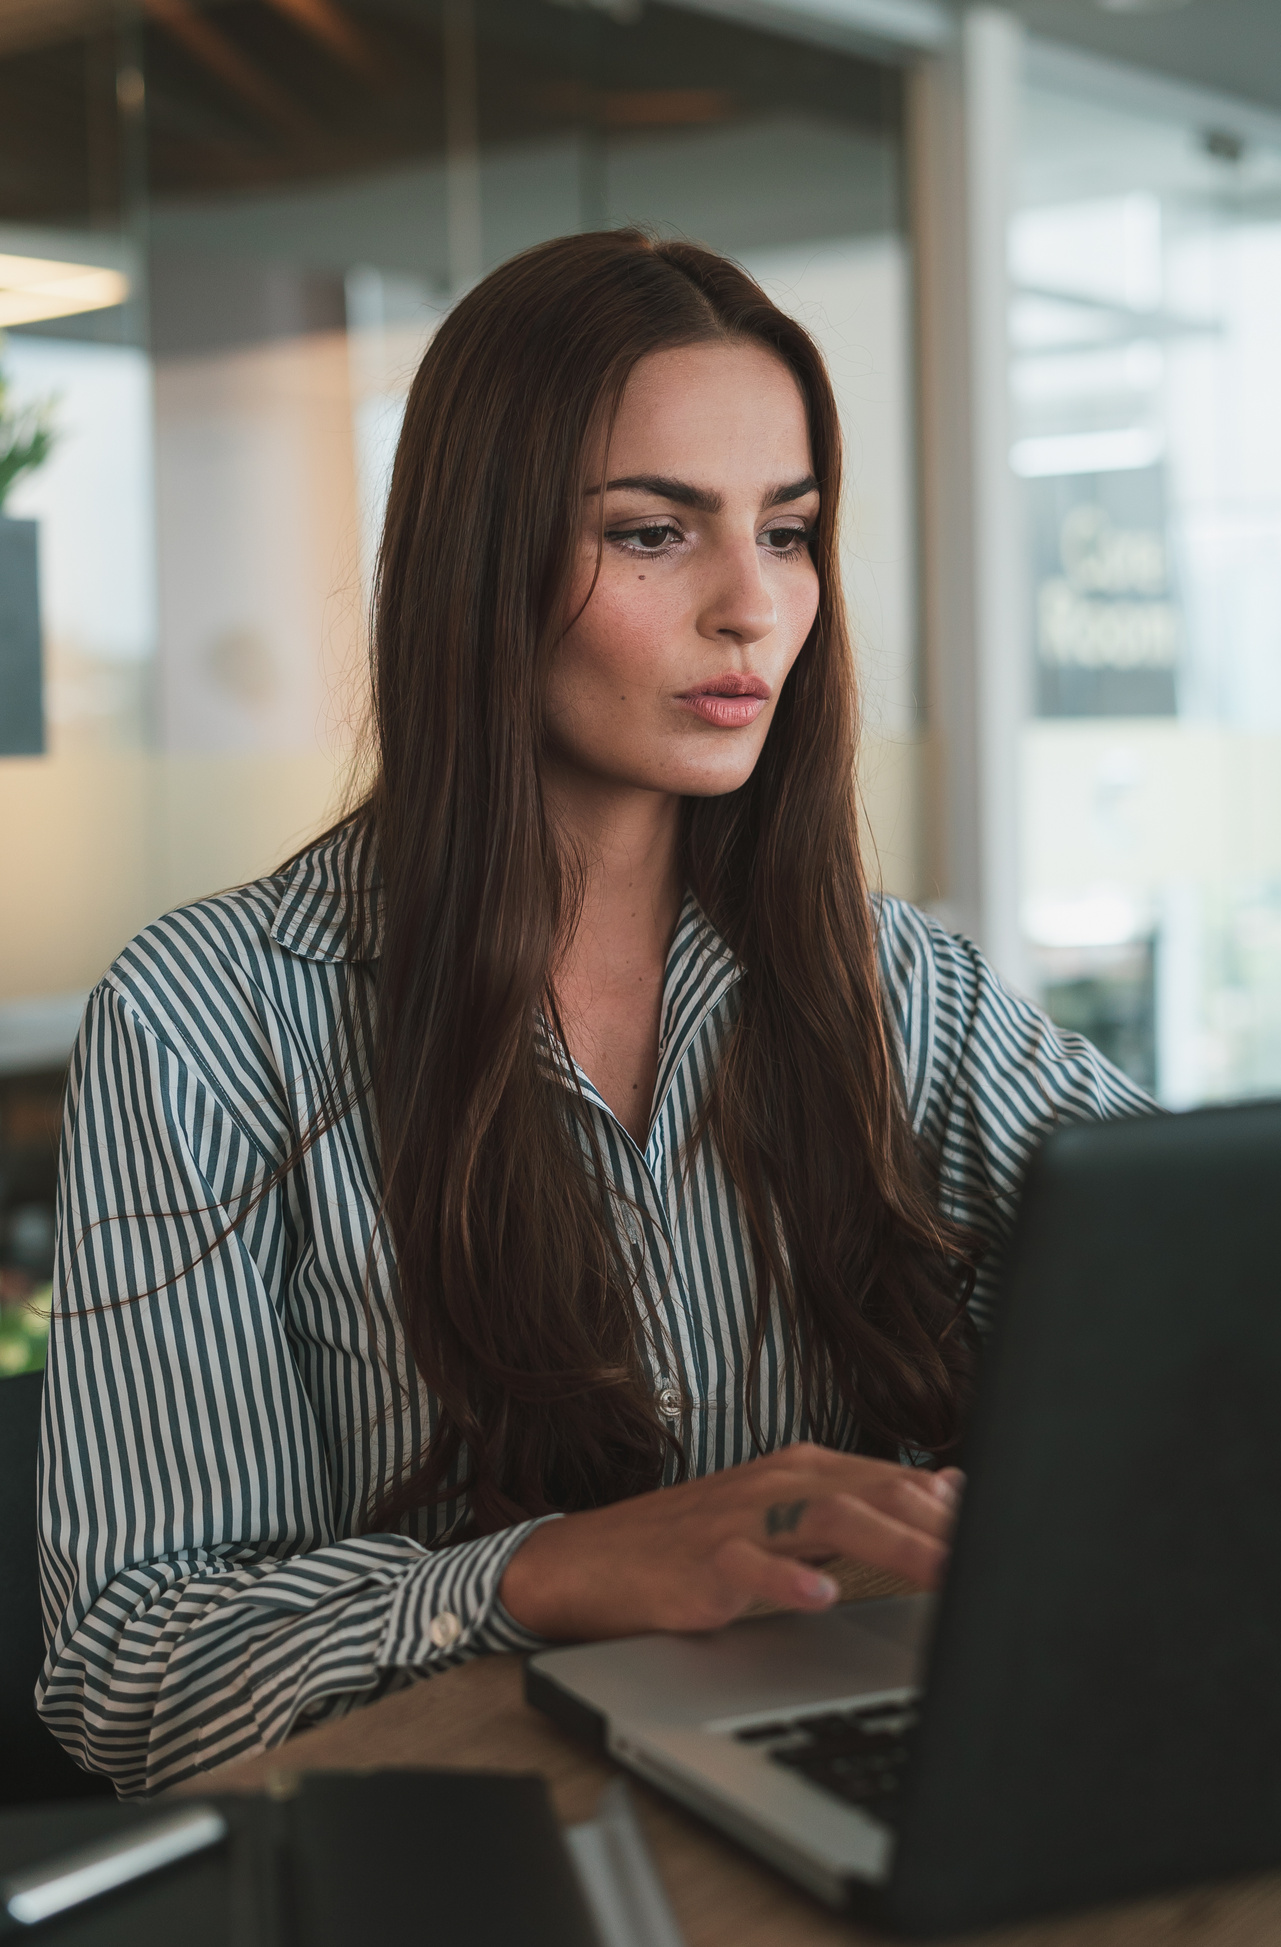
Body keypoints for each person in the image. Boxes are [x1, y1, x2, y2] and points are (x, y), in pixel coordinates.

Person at [37, 230, 1149, 1798]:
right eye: (650, 535)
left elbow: (1209, 1315)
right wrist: (540, 1571)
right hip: (460, 1852)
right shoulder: (216, 1018)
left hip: (857, 1783)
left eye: (788, 530)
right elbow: (136, 1672)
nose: (750, 608)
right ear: (479, 560)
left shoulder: (902, 985)